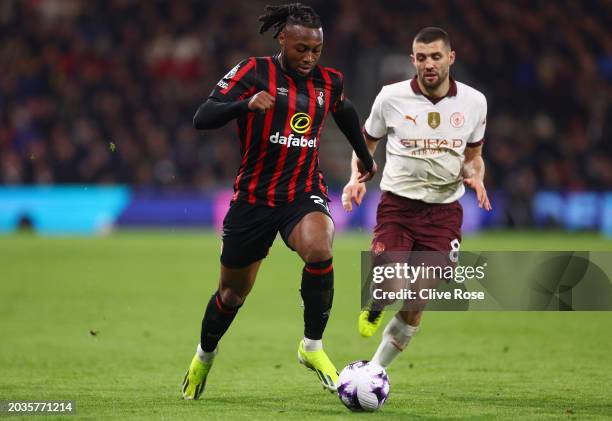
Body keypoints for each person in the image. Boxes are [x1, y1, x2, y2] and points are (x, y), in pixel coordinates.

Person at [181, 3, 377, 399]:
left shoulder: (329, 81)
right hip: (253, 199)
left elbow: (345, 109)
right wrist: (244, 104)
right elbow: (203, 116)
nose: (308, 58)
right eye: (301, 48)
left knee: (320, 249)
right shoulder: (253, 72)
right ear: (282, 39)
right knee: (231, 295)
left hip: (302, 192)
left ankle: (312, 347)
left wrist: (365, 155)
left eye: (315, 50)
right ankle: (204, 356)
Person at [342, 27, 491, 369]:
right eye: (422, 58)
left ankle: (374, 370)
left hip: (444, 214)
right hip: (398, 206)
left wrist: (475, 175)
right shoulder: (390, 97)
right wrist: (357, 176)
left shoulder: (474, 102)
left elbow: (474, 154)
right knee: (392, 283)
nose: (429, 64)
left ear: (450, 58)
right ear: (413, 60)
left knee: (416, 300)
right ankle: (379, 300)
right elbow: (366, 143)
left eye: (436, 56)